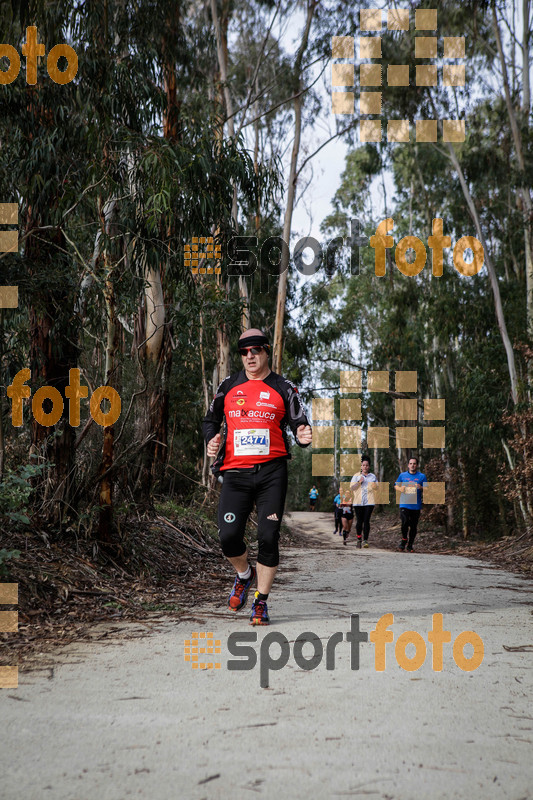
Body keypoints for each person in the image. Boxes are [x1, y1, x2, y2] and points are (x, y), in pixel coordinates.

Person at [203, 328, 312, 625]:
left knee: (268, 536)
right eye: (244, 351)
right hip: (235, 474)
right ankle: (244, 575)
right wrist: (212, 438)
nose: (250, 356)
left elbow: (299, 423)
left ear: (266, 352)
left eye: (256, 350)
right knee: (228, 537)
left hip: (272, 474)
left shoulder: (282, 387)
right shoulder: (228, 386)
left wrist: (303, 435)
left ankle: (260, 603)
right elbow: (210, 420)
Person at [394, 456, 427, 552]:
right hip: (404, 503)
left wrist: (421, 487)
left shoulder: (422, 476)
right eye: (411, 463)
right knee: (404, 523)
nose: (412, 465)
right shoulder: (402, 475)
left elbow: (428, 489)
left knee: (413, 526)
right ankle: (404, 539)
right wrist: (400, 489)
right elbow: (396, 485)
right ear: (408, 465)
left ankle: (410, 545)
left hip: (416, 505)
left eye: (414, 464)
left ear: (417, 465)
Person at [350, 456, 378, 548]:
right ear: (361, 466)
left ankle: (365, 540)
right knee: (359, 521)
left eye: (367, 465)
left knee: (366, 521)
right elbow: (352, 488)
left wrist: (375, 487)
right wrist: (359, 482)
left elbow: (377, 488)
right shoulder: (356, 476)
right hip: (358, 502)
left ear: (369, 466)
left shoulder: (373, 476)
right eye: (363, 465)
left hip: (369, 502)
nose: (365, 467)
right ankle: (359, 538)